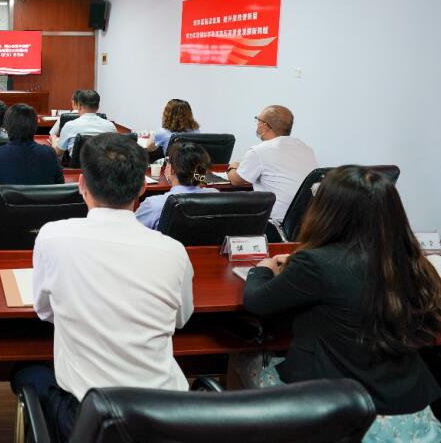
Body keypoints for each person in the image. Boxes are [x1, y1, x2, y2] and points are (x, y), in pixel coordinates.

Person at [234, 166, 441, 442]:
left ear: (328, 211)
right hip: (414, 416)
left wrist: (263, 268)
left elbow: (256, 301)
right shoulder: (413, 262)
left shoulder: (316, 263)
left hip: (344, 415)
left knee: (244, 357)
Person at [13, 133, 193, 441]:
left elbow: (44, 311)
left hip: (91, 419)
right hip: (166, 417)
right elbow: (180, 319)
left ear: (82, 184)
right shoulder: (174, 251)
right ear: (143, 186)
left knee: (26, 372)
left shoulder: (53, 236)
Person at [226, 105, 317, 221]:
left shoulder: (259, 151)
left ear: (264, 125)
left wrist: (233, 167)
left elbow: (235, 180)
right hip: (307, 222)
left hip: (275, 223)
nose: (257, 124)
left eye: (258, 120)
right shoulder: (306, 149)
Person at [0, 103, 62, 197]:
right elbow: (60, 188)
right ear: (35, 126)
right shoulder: (50, 153)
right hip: (42, 206)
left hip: (7, 206)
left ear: (6, 127)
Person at [135, 142, 218, 230]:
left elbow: (130, 231)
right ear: (204, 171)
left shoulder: (153, 205)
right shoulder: (216, 196)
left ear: (171, 169)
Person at [50, 89, 116, 158]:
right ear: (98, 107)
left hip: (77, 165)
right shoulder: (110, 126)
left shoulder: (70, 125)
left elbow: (57, 153)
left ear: (79, 106)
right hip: (102, 164)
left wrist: (54, 140)